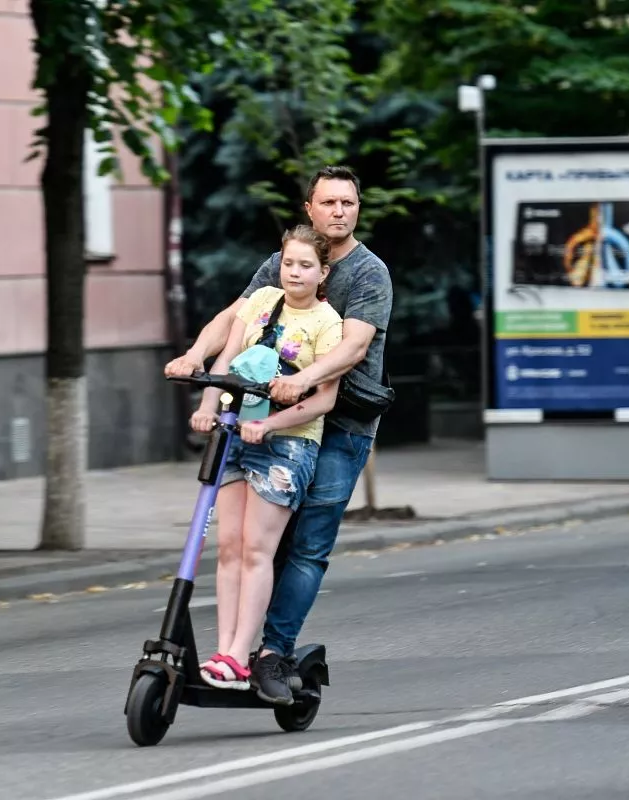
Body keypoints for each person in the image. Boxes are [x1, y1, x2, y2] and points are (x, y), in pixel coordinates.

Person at [165, 165, 392, 703]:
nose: (340, 211)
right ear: (309, 209)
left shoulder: (368, 273)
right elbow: (236, 318)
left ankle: (272, 652)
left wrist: (300, 381)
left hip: (342, 422)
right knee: (254, 543)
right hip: (268, 416)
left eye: (349, 203)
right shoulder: (283, 263)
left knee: (307, 546)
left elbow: (354, 348)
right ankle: (236, 649)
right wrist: (196, 357)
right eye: (330, 202)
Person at [192, 225, 343, 699]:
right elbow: (228, 361)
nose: (294, 272)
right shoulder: (259, 303)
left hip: (288, 445)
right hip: (239, 435)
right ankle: (224, 653)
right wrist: (208, 407)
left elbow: (324, 401)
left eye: (305, 265)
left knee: (258, 550)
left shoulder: (327, 323)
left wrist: (272, 426)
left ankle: (240, 656)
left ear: (323, 272)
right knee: (231, 547)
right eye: (288, 262)